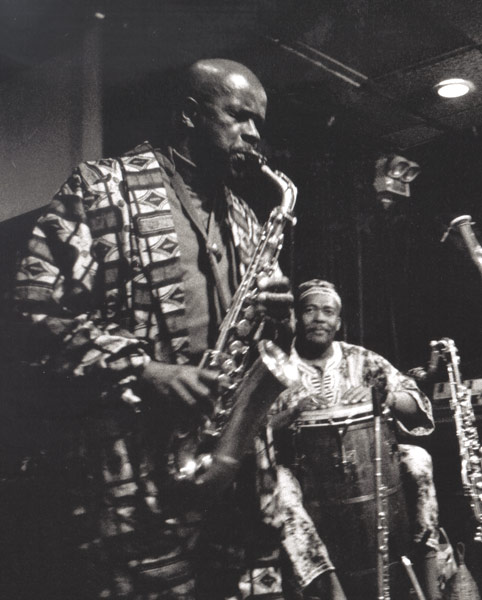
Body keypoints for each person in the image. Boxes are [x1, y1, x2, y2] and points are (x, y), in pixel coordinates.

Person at [12, 60, 342, 600]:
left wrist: (275, 319)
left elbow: (257, 347)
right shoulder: (100, 189)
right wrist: (143, 368)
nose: (254, 134)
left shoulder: (246, 218)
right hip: (138, 473)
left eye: (259, 122)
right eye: (238, 116)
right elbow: (35, 313)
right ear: (189, 114)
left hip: (231, 474)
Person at [272, 279, 442, 600]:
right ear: (296, 317)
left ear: (338, 322)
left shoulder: (362, 360)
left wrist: (386, 394)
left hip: (370, 464)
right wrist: (286, 415)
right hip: (302, 470)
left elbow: (416, 404)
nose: (319, 318)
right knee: (278, 489)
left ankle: (429, 582)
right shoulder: (278, 366)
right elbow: (253, 428)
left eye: (328, 312)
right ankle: (332, 590)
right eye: (310, 310)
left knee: (418, 461)